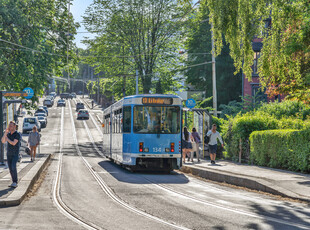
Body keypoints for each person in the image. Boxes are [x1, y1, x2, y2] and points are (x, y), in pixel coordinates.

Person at [1, 121, 21, 188]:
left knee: (13, 166)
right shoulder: (8, 134)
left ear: (14, 126)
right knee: (10, 168)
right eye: (9, 126)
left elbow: (13, 143)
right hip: (9, 154)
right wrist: (5, 133)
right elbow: (3, 141)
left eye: (11, 126)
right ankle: (13, 182)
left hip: (15, 154)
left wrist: (7, 139)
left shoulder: (17, 134)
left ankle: (15, 182)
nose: (10, 127)